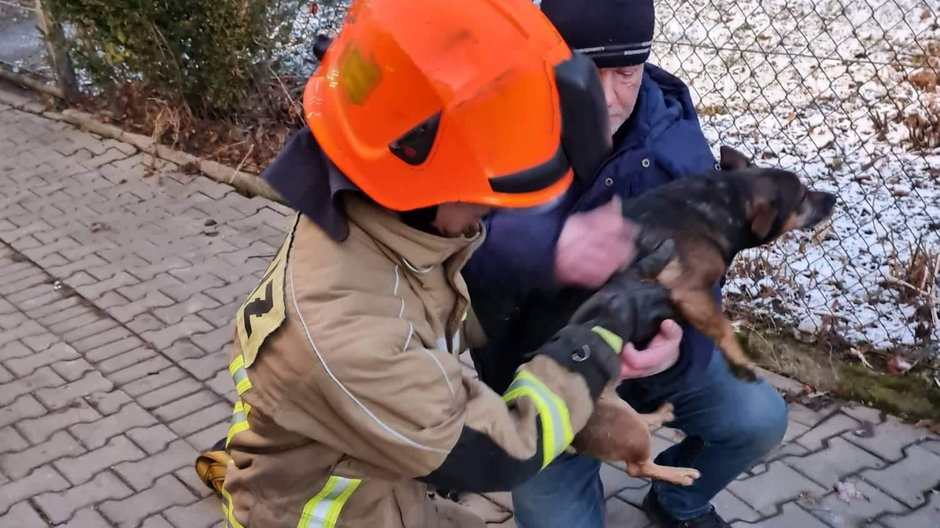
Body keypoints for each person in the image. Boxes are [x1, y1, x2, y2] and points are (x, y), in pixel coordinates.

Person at [197, 1, 682, 526]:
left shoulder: (368, 217)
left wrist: (556, 276)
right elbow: (499, 454)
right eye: (488, 186)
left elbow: (435, 309)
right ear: (418, 172)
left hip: (373, 467)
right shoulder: (355, 334)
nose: (492, 207)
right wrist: (601, 333)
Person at [463, 1, 789, 527]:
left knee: (760, 420)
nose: (612, 97)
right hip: (543, 375)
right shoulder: (495, 130)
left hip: (646, 365)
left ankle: (676, 500)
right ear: (552, 63)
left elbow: (704, 265)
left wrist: (678, 344)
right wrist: (551, 251)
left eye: (628, 72)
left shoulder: (673, 136)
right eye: (590, 73)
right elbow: (459, 252)